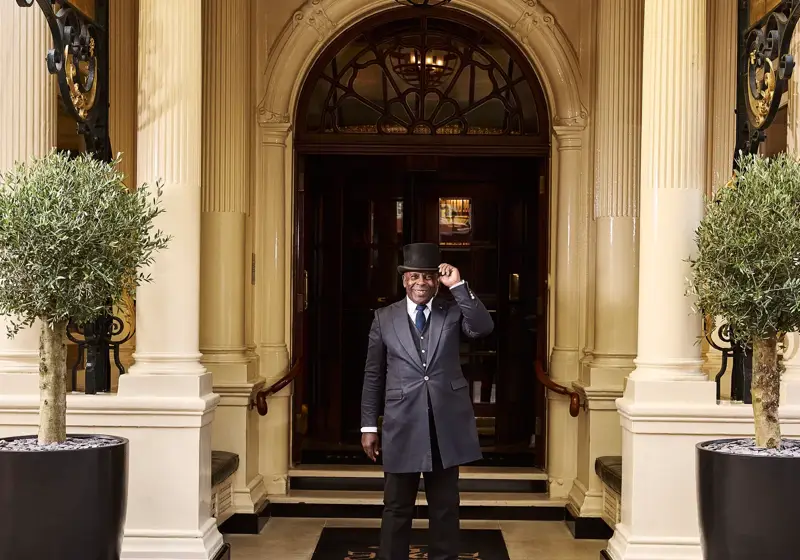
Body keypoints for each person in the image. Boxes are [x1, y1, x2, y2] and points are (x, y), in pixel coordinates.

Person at [360, 242, 494, 560]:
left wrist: (459, 285)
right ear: (404, 279)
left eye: (429, 277)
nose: (421, 283)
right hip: (401, 422)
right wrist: (369, 425)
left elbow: (483, 327)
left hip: (444, 424)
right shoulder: (384, 318)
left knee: (445, 507)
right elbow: (373, 375)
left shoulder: (451, 309)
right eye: (414, 276)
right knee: (396, 506)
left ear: (437, 280)